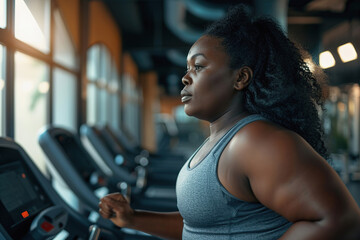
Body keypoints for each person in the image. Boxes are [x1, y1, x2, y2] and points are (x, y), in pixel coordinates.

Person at [98, 4, 360, 240]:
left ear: (241, 78)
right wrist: (133, 219)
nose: (185, 78)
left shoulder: (256, 140)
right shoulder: (222, 139)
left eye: (198, 67)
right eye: (187, 69)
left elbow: (339, 220)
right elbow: (199, 227)